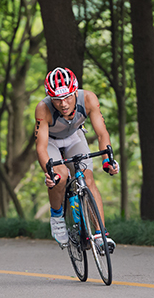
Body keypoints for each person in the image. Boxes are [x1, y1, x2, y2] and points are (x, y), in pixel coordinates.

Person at [35, 67, 119, 250]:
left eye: (67, 97)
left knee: (88, 179)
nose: (63, 104)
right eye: (57, 99)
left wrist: (107, 159)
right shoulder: (43, 108)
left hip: (74, 137)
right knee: (61, 175)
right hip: (51, 142)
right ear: (50, 98)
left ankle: (99, 235)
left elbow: (102, 133)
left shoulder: (89, 99)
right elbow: (41, 147)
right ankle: (57, 216)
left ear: (75, 91)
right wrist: (49, 172)